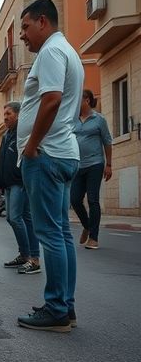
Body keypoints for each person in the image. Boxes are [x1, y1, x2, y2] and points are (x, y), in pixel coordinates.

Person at [16, 0, 83, 333]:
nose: (23, 36)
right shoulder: (67, 51)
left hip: (47, 155)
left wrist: (30, 146)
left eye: (25, 28)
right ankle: (65, 307)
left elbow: (52, 99)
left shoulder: (52, 52)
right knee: (61, 234)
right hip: (62, 152)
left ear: (43, 21)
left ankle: (56, 308)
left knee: (49, 235)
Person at [0, 102, 41, 274]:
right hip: (8, 183)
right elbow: (2, 160)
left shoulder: (22, 133)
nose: (5, 117)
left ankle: (33, 258)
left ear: (19, 115)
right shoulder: (6, 134)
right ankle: (25, 255)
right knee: (18, 218)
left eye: (9, 113)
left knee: (16, 218)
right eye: (4, 114)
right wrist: (0, 182)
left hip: (20, 182)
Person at [71, 89, 112, 250]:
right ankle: (87, 226)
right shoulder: (73, 120)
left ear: (87, 100)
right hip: (77, 165)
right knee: (74, 199)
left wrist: (109, 164)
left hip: (95, 164)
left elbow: (107, 141)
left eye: (78, 100)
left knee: (93, 199)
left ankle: (94, 238)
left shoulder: (99, 119)